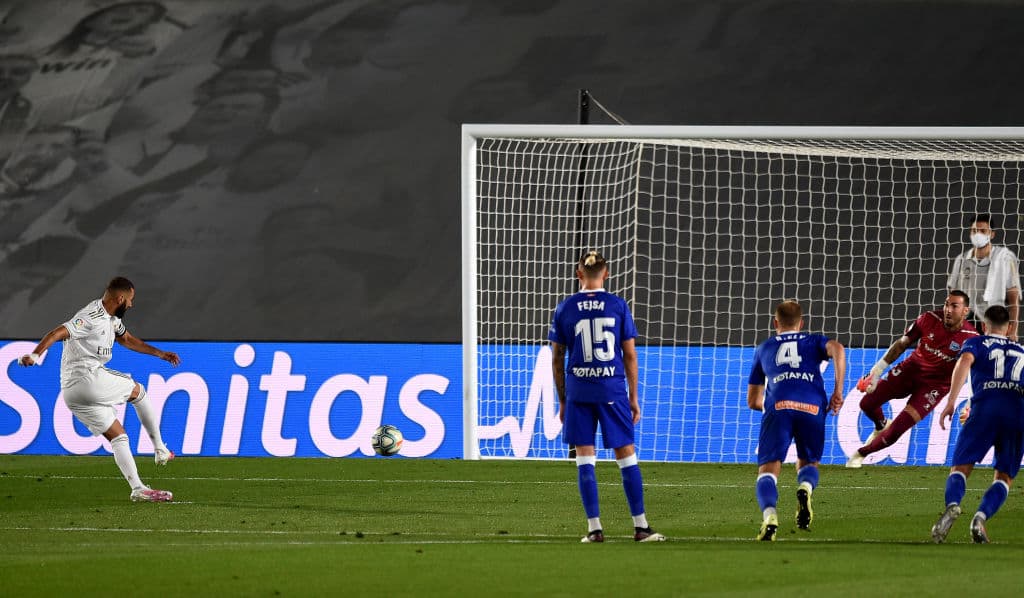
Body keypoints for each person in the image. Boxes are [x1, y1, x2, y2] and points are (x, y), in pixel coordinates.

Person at [18, 276, 180, 502]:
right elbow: (57, 332)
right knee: (138, 392)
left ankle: (138, 488)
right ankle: (161, 448)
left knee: (118, 435)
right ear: (120, 298)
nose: (131, 305)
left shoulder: (112, 319)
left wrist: (160, 354)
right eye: (130, 300)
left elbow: (128, 340)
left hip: (72, 394)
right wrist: (35, 355)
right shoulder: (90, 317)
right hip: (86, 379)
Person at [548, 250, 665, 543]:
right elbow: (629, 355)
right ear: (607, 273)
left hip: (578, 392)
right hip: (612, 390)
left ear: (578, 274)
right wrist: (634, 397)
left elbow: (557, 358)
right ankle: (640, 526)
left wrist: (563, 400)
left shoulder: (565, 308)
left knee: (585, 459)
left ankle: (594, 528)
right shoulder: (618, 305)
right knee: (626, 457)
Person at [747, 300, 846, 541]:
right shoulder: (813, 341)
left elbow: (753, 400)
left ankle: (770, 517)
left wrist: (775, 407)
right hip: (812, 406)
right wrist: (838, 391)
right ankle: (805, 488)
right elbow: (838, 349)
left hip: (779, 407)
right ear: (801, 323)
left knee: (768, 472)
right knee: (809, 464)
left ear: (775, 323)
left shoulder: (764, 348)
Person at [846, 291, 978, 468]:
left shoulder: (971, 337)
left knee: (898, 430)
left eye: (954, 306)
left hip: (935, 386)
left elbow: (975, 372)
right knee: (866, 404)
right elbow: (902, 344)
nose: (948, 309)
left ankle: (860, 453)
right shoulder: (928, 319)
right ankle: (881, 425)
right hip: (911, 370)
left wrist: (970, 403)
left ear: (965, 311)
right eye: (947, 304)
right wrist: (876, 372)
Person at [931, 305, 1024, 543]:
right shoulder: (1022, 350)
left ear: (984, 326)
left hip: (984, 409)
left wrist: (951, 401)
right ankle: (980, 518)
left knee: (961, 468)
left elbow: (964, 362)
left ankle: (953, 506)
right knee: (1004, 477)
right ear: (1010, 327)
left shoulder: (976, 343)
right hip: (1016, 414)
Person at [947, 213, 1020, 341]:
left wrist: (1013, 330)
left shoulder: (1004, 258)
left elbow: (1013, 299)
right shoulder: (961, 260)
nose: (978, 234)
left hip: (994, 322)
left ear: (992, 234)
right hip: (966, 322)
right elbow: (952, 295)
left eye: (983, 231)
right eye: (974, 230)